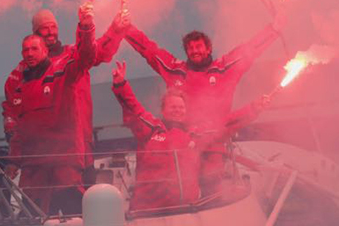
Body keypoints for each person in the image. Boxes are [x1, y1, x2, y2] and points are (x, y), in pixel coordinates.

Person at [122, 10, 285, 193]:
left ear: (208, 49)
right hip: (183, 144)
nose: (194, 51)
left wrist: (274, 30)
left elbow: (249, 50)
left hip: (214, 143)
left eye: (198, 47)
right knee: (180, 186)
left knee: (211, 184)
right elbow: (149, 50)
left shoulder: (224, 68)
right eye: (190, 48)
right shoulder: (175, 70)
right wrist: (126, 29)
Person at [111, 61, 269, 211]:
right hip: (146, 213)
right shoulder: (151, 129)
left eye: (181, 107)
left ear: (186, 111)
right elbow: (133, 109)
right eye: (173, 106)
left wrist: (254, 108)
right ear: (163, 110)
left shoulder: (195, 135)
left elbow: (225, 123)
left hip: (186, 211)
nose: (177, 110)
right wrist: (120, 84)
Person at [2, 7, 129, 180]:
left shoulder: (73, 56)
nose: (50, 32)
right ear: (35, 32)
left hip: (80, 143)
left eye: (53, 27)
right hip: (41, 154)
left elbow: (96, 51)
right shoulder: (21, 73)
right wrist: (14, 157)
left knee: (81, 199)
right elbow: (12, 112)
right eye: (44, 28)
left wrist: (115, 30)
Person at [3, 2, 99, 214]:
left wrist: (86, 27)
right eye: (25, 50)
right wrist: (14, 160)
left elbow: (86, 57)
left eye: (34, 49)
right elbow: (20, 129)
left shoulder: (62, 73)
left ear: (45, 51)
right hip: (35, 166)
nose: (29, 54)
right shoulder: (20, 86)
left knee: (76, 213)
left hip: (64, 162)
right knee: (31, 215)